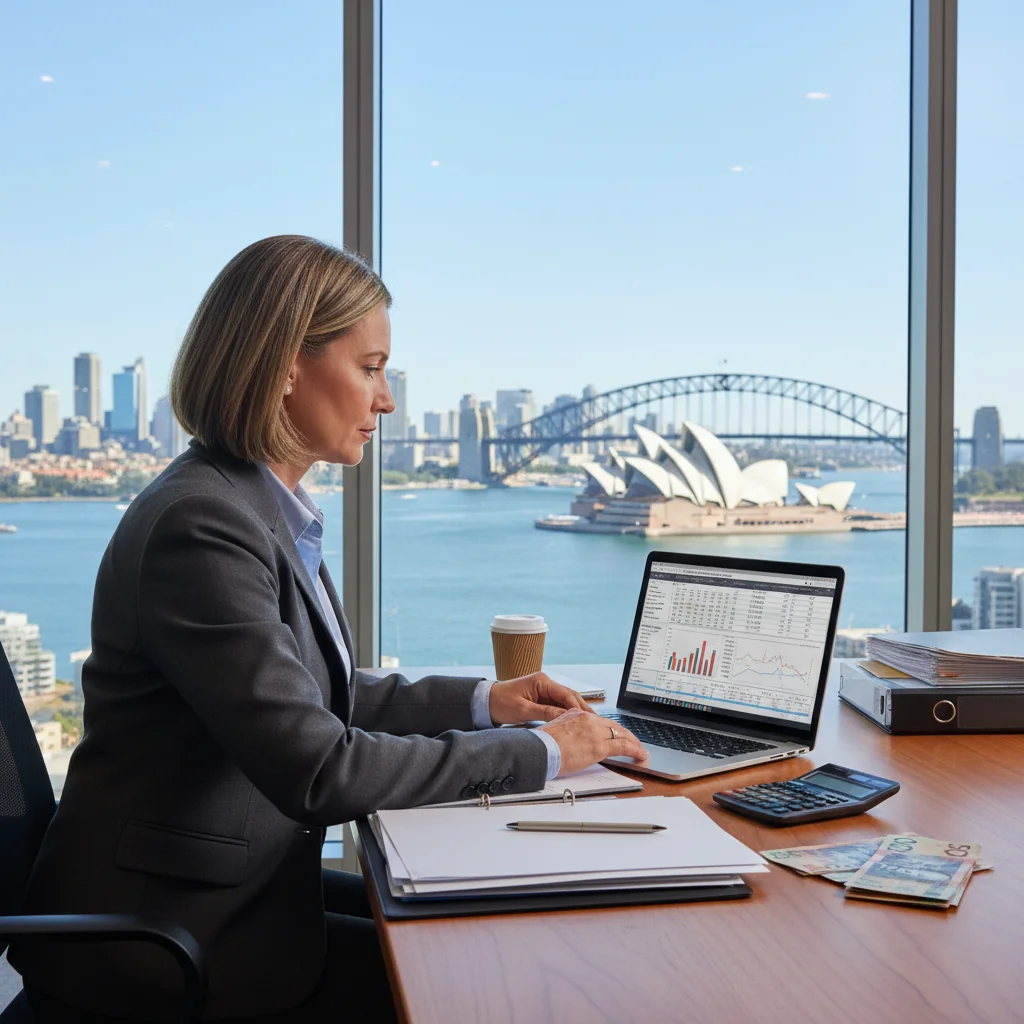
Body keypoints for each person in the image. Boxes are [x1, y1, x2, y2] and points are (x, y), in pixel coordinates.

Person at [10, 236, 647, 1023]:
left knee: (485, 942)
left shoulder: (253, 505)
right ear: (284, 366)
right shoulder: (203, 526)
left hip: (235, 897)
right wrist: (547, 754)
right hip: (164, 949)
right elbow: (319, 770)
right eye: (371, 368)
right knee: (487, 988)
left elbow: (314, 696)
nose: (386, 400)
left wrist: (491, 703)